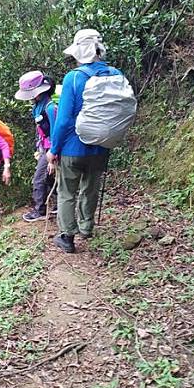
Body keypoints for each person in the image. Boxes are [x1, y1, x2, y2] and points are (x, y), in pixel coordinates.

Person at [47, 29, 121, 253]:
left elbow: (63, 120)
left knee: (67, 191)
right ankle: (87, 227)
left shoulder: (74, 77)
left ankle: (67, 237)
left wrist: (54, 149)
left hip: (72, 147)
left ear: (80, 51)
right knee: (91, 187)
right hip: (102, 146)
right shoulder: (115, 73)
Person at [15, 70, 58, 222]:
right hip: (44, 148)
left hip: (52, 150)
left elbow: (54, 132)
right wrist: (39, 149)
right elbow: (40, 131)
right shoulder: (37, 107)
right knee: (48, 177)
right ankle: (58, 204)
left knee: (38, 179)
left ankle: (39, 210)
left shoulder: (50, 108)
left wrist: (52, 157)